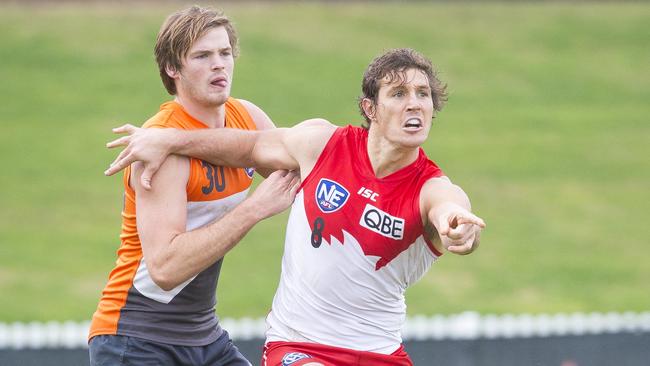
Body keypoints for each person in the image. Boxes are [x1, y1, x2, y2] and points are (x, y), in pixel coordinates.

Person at [105, 48, 486, 366]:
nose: (414, 104)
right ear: (370, 108)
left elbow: (450, 208)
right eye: (399, 94)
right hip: (299, 347)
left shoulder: (431, 187)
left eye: (423, 94)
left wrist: (459, 227)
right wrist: (168, 139)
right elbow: (248, 146)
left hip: (381, 353)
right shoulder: (321, 144)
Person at [88, 6, 300, 366]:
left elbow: (307, 178)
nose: (219, 64)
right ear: (173, 68)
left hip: (203, 335)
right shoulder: (159, 151)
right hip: (136, 338)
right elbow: (165, 269)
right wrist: (253, 209)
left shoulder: (245, 117)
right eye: (202, 55)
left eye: (225, 53)